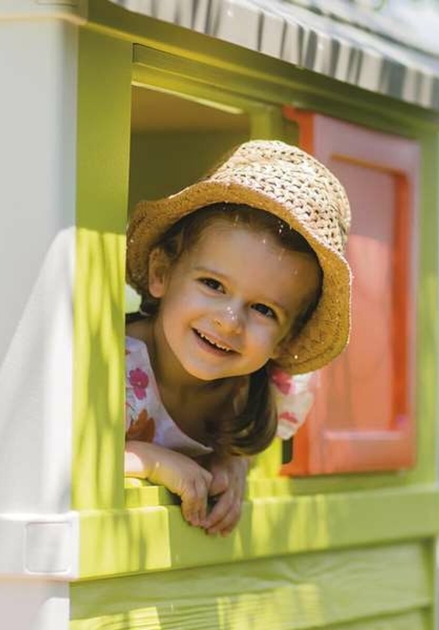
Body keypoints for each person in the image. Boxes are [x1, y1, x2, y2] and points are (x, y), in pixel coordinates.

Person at [124, 139, 352, 536]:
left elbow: (246, 450)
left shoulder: (258, 394)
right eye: (213, 284)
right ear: (161, 274)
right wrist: (149, 460)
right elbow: (52, 456)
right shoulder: (109, 366)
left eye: (264, 310)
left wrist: (233, 461)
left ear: (285, 339)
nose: (230, 321)